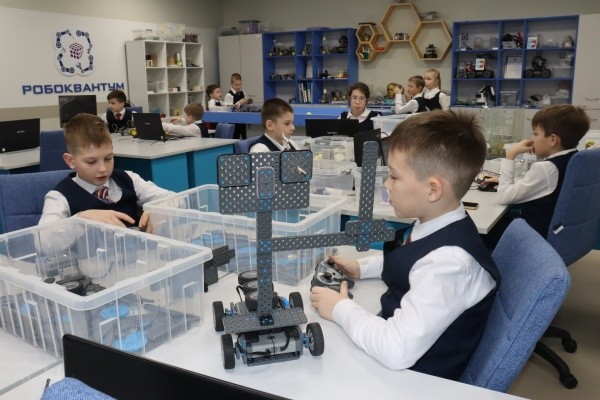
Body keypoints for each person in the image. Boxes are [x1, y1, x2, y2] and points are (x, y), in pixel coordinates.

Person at [310, 110, 500, 380]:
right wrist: (363, 268)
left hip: (413, 379)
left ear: (433, 189)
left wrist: (340, 308)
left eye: (394, 177)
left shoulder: (450, 263)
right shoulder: (436, 221)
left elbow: (395, 349)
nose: (386, 184)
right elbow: (413, 256)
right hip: (397, 351)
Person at [39, 113, 174, 231]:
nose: (103, 168)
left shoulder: (129, 178)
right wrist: (80, 220)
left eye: (108, 158)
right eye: (91, 162)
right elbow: (44, 242)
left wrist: (158, 211)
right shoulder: (59, 196)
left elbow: (173, 199)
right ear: (71, 161)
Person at [482, 104, 590, 239]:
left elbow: (503, 197)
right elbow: (544, 186)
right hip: (558, 232)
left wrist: (510, 155)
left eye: (535, 133)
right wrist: (506, 182)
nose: (531, 139)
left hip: (532, 236)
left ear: (552, 139)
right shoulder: (575, 158)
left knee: (481, 228)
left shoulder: (546, 168)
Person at [224, 73, 248, 139]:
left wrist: (246, 102)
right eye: (236, 85)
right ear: (231, 83)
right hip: (233, 121)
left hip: (242, 119)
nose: (238, 86)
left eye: (240, 84)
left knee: (244, 137)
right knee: (235, 138)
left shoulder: (242, 92)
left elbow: (245, 102)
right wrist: (239, 103)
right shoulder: (229, 95)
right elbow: (228, 108)